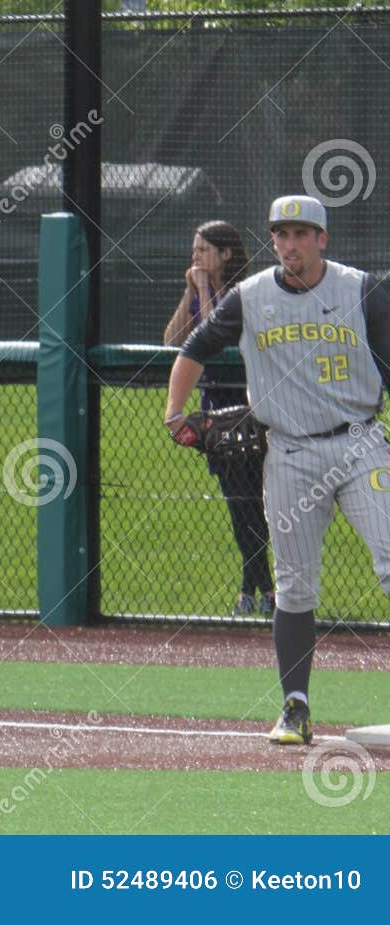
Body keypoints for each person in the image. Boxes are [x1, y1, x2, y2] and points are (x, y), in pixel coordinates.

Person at [166, 195, 390, 745]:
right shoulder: (251, 296)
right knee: (293, 585)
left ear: (322, 240)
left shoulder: (362, 290)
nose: (290, 244)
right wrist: (174, 412)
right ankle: (296, 707)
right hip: (288, 451)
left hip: (360, 443)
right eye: (281, 234)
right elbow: (193, 347)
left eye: (301, 233)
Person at [163, 220, 274, 617]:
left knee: (252, 503)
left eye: (204, 250)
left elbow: (215, 335)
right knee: (238, 503)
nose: (195, 257)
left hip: (248, 410)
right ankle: (258, 589)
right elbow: (173, 341)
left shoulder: (243, 295)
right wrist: (190, 291)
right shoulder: (200, 292)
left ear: (226, 255)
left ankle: (259, 590)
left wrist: (206, 290)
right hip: (214, 415)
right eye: (194, 250)